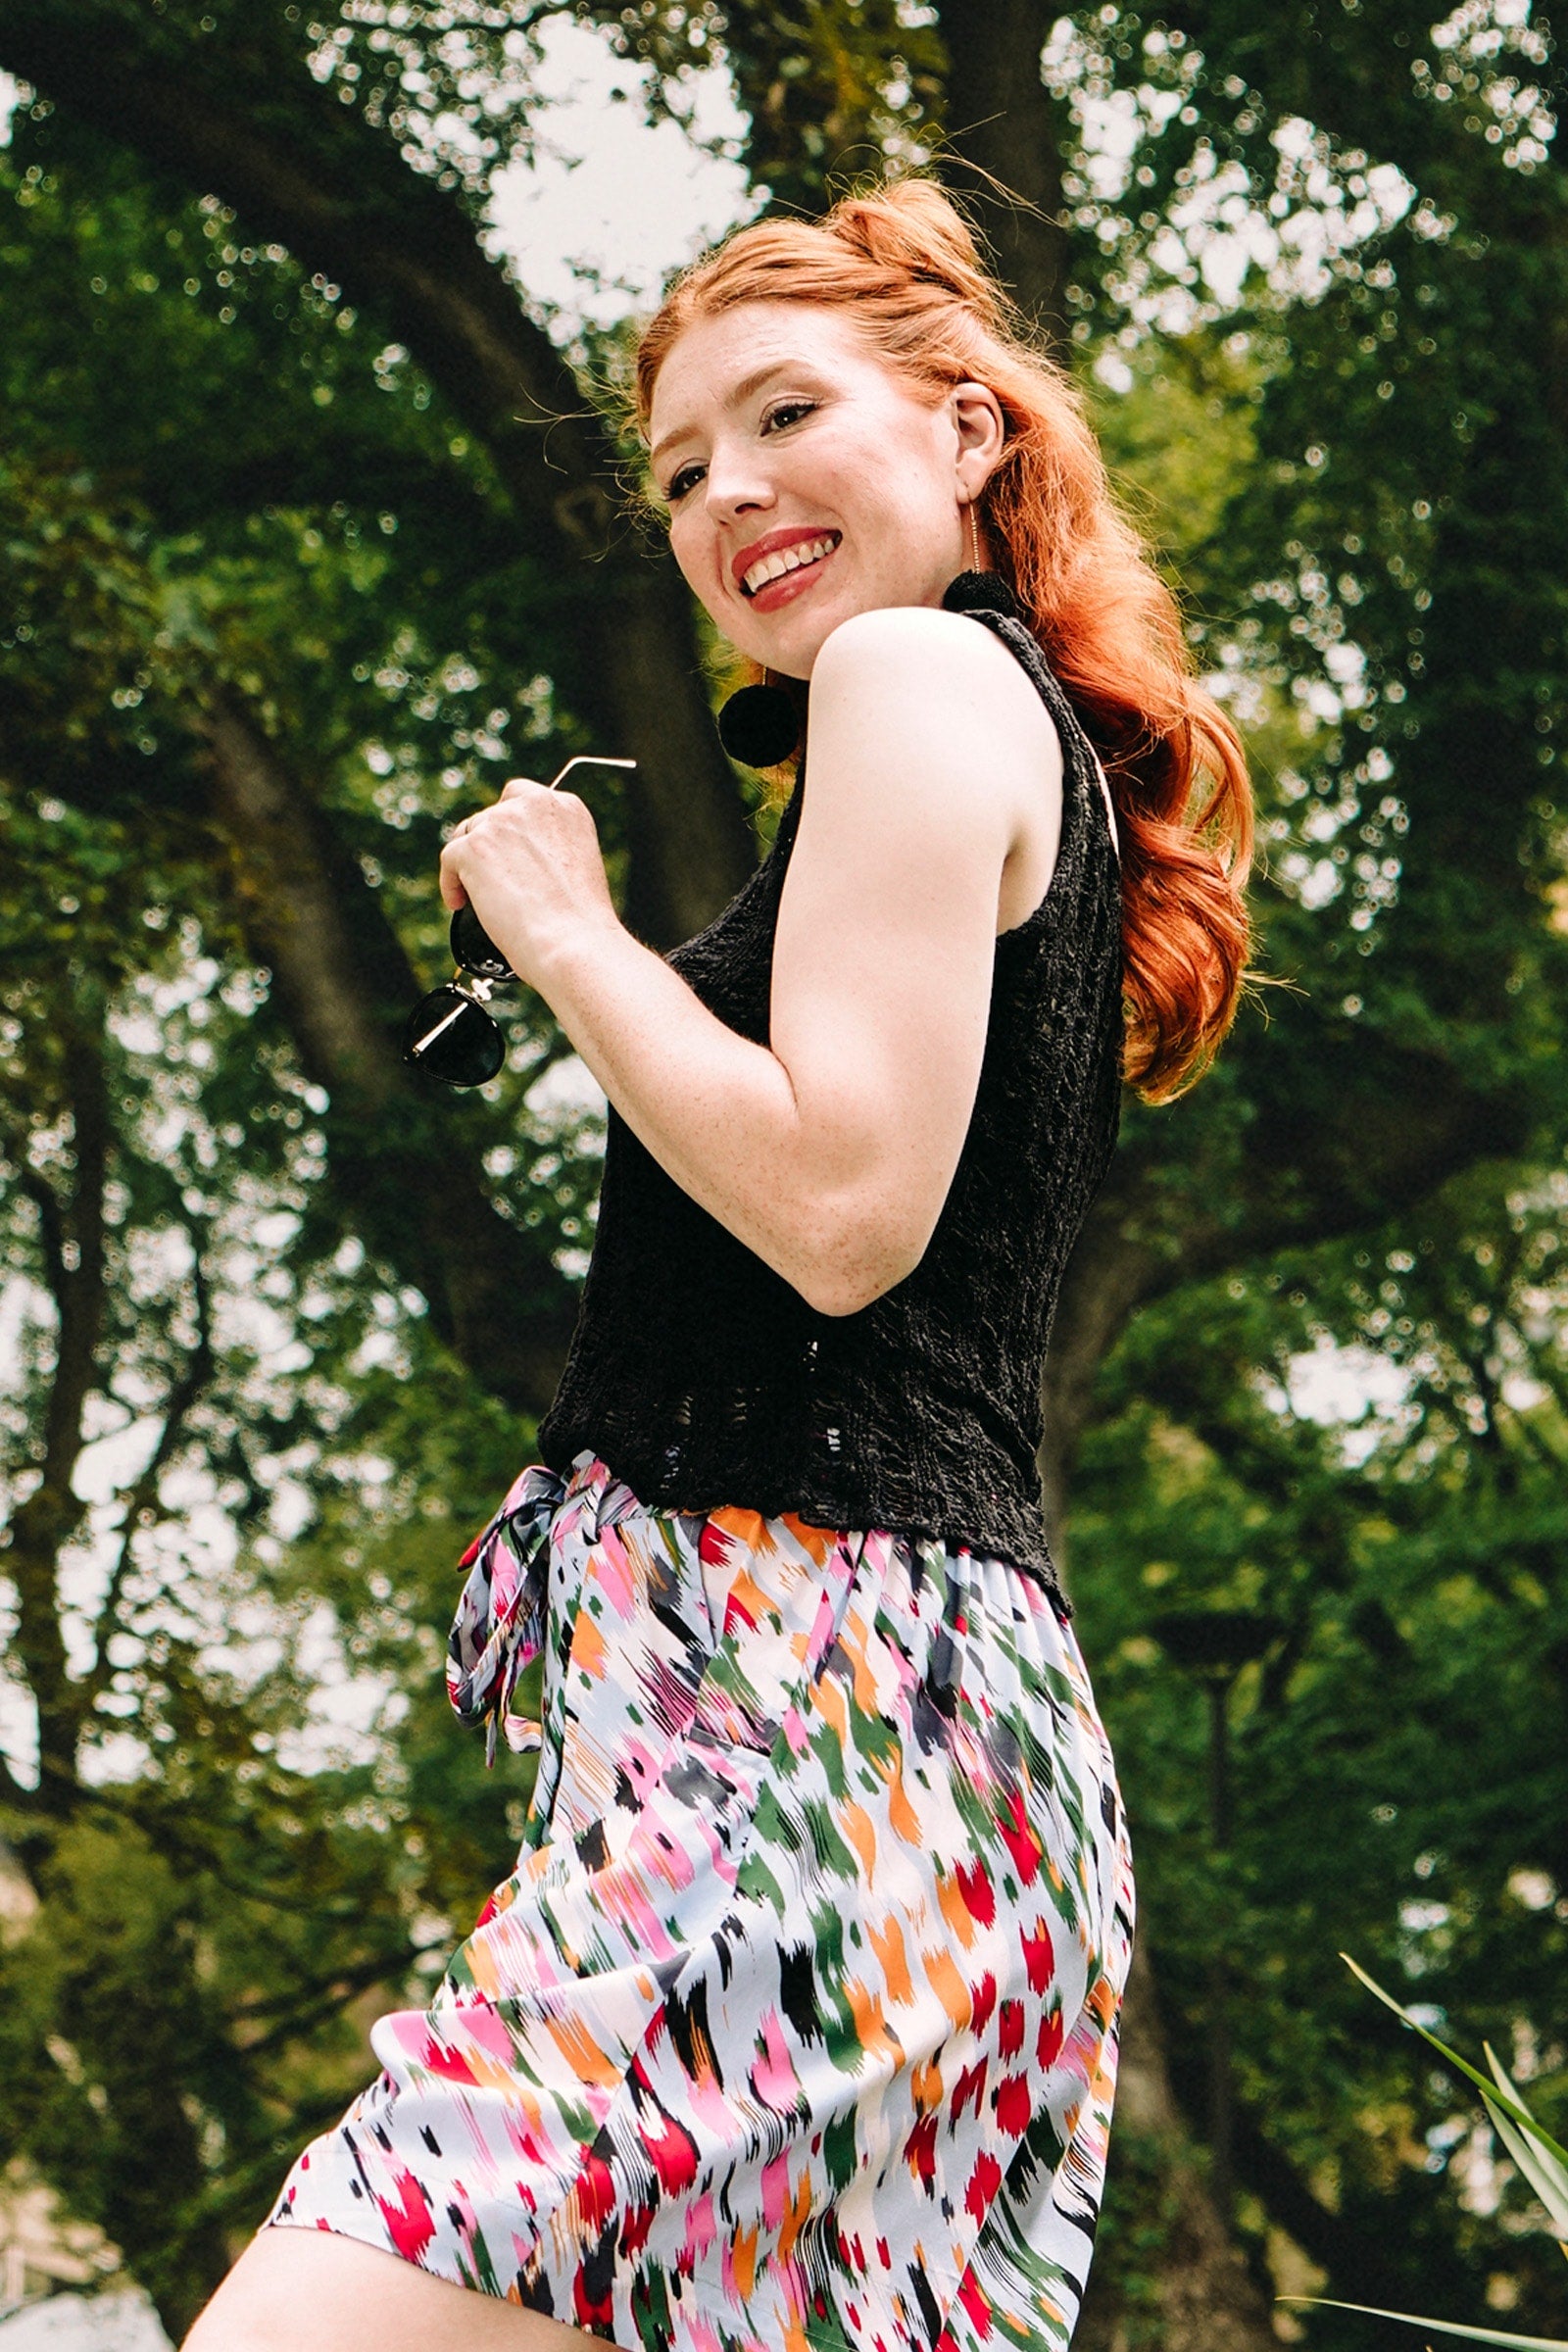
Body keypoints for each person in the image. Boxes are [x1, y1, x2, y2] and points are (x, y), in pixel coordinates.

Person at [186, 177, 1250, 2352]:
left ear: (966, 427)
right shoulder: (950, 727)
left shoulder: (914, 673)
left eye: (783, 415)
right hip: (846, 1750)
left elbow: (842, 1215)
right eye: (680, 472)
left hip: (826, 1728)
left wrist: (568, 935)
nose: (725, 494)